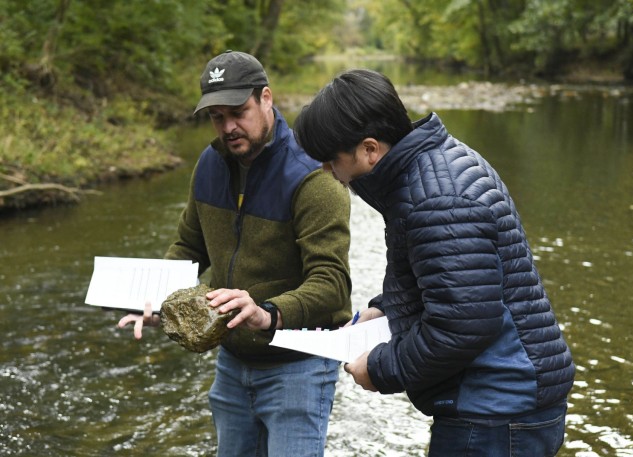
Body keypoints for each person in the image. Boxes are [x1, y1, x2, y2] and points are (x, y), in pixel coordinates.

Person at [293, 69, 575, 457]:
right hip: (508, 402)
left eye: (331, 160)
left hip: (497, 408)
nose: (328, 172)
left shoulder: (436, 200)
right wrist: (385, 307)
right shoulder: (432, 166)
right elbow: (457, 278)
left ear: (370, 149)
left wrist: (379, 368)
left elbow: (462, 324)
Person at [117, 50, 353, 457]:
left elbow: (332, 285)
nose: (228, 127)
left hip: (300, 365)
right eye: (216, 116)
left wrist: (267, 313)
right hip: (232, 364)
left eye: (238, 112)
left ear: (266, 98)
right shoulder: (209, 164)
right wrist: (156, 296)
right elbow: (189, 248)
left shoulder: (314, 177)